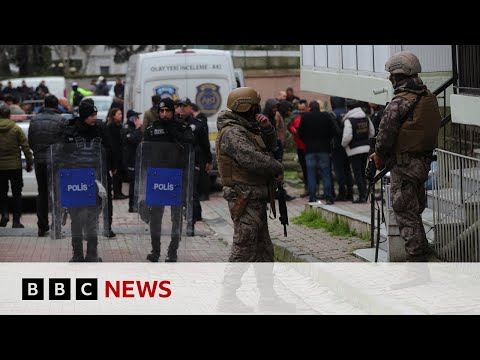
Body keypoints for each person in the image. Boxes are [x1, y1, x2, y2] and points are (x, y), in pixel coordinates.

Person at [370, 51, 441, 262]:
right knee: (414, 210)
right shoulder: (427, 97)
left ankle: (416, 262)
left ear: (397, 77)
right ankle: (422, 252)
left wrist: (379, 155)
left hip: (405, 165)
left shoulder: (399, 103)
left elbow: (384, 136)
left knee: (404, 212)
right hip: (423, 163)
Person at [216, 87, 284, 262]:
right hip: (244, 197)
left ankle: (266, 289)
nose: (258, 110)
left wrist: (267, 128)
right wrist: (276, 167)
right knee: (244, 248)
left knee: (264, 250)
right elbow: (250, 158)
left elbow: (270, 147)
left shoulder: (248, 128)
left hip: (255, 196)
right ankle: (229, 290)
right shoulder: (232, 132)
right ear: (247, 108)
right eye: (255, 106)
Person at [143, 98, 194, 262]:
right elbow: (144, 152)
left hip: (176, 177)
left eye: (168, 111)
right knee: (155, 216)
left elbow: (190, 146)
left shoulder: (182, 127)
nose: (164, 114)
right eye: (162, 111)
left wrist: (174, 131)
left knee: (176, 217)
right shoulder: (152, 129)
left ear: (173, 112)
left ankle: (173, 251)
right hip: (157, 178)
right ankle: (155, 251)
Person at [63, 99, 111, 262]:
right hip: (75, 180)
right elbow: (62, 154)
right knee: (76, 218)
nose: (94, 118)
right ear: (84, 115)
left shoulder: (99, 130)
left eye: (95, 115)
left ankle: (92, 253)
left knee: (92, 218)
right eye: (91, 115)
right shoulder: (71, 130)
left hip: (94, 180)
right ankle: (77, 254)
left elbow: (108, 150)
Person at [28, 95, 66, 236]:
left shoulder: (34, 119)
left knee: (42, 193)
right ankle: (56, 226)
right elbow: (64, 143)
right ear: (57, 106)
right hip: (55, 161)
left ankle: (42, 226)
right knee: (56, 194)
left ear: (44, 104)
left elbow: (30, 140)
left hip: (39, 161)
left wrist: (37, 153)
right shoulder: (62, 120)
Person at [0, 105, 33, 228]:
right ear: (9, 115)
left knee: (2, 193)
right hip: (15, 167)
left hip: (0, 168)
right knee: (17, 194)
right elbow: (26, 147)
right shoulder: (16, 129)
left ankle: (4, 214)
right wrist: (29, 164)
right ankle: (16, 221)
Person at [122, 109, 143, 213]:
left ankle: (136, 204)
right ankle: (132, 205)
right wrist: (138, 128)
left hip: (136, 158)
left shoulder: (133, 128)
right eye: (136, 117)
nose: (138, 119)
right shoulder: (127, 128)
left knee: (137, 182)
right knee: (133, 182)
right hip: (130, 159)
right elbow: (132, 139)